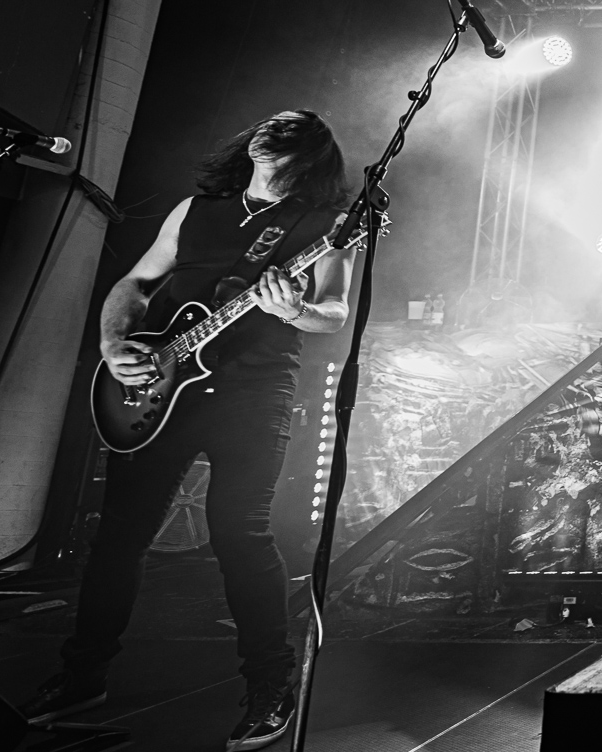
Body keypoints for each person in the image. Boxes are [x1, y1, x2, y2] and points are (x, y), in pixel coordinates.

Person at [21, 110, 354, 751]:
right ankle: (81, 677)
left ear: (312, 154)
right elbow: (136, 281)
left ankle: (271, 686)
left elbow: (334, 312)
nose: (272, 131)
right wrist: (114, 344)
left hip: (254, 392)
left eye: (291, 130)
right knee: (118, 536)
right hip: (163, 385)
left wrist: (297, 310)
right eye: (270, 123)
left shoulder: (328, 225)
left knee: (240, 532)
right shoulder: (196, 210)